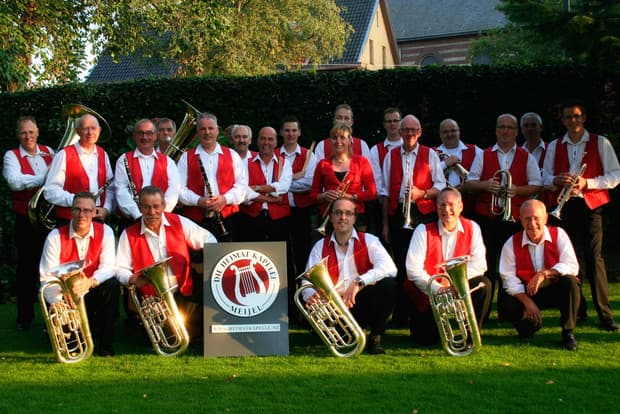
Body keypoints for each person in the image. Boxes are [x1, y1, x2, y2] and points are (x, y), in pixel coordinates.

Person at [542, 101, 620, 331]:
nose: (573, 121)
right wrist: (556, 180)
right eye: (568, 117)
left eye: (576, 116)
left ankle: (605, 315)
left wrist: (588, 183)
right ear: (563, 120)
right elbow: (544, 176)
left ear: (583, 117)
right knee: (570, 261)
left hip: (591, 206)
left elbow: (615, 176)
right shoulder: (555, 146)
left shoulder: (600, 142)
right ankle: (578, 310)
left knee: (594, 260)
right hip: (564, 207)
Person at [465, 114, 542, 319]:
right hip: (487, 218)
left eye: (510, 127)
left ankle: (509, 310)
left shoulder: (527, 157)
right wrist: (485, 185)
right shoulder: (483, 154)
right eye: (502, 127)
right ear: (496, 130)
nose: (505, 131)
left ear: (516, 131)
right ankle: (483, 310)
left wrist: (517, 189)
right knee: (487, 265)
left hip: (514, 218)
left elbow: (537, 184)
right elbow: (470, 183)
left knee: (512, 267)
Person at [116, 186, 217, 342]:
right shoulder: (128, 233)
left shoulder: (179, 222)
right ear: (140, 207)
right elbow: (120, 268)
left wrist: (201, 261)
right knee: (168, 338)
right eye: (147, 207)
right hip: (152, 296)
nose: (152, 212)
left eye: (156, 206)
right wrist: (133, 279)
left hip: (183, 289)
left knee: (192, 330)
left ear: (163, 206)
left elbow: (209, 239)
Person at [303, 197, 397, 354]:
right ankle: (353, 330)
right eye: (338, 213)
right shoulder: (320, 246)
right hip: (335, 306)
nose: (343, 217)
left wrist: (359, 282)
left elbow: (390, 268)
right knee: (344, 340)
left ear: (354, 217)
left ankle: (375, 337)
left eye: (348, 213)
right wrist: (311, 295)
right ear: (331, 217)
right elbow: (307, 283)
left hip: (363, 300)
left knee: (388, 285)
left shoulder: (370, 240)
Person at [381, 114, 446, 326]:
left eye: (413, 130)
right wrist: (385, 225)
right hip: (399, 214)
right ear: (399, 133)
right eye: (405, 130)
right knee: (400, 263)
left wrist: (423, 194)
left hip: (424, 213)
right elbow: (385, 191)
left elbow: (441, 186)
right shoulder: (390, 156)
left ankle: (422, 308)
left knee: (421, 264)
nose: (409, 133)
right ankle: (400, 315)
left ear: (420, 132)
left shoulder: (431, 155)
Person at [405, 187, 491, 345]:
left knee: (483, 284)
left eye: (451, 204)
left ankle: (472, 334)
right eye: (441, 205)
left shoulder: (473, 228)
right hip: (431, 291)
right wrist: (438, 287)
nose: (446, 209)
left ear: (460, 207)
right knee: (425, 340)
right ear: (436, 207)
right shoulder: (422, 231)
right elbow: (413, 269)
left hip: (459, 286)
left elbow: (479, 264)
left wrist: (453, 282)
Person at [39, 192, 119, 356]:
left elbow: (109, 267)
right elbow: (47, 277)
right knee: (72, 345)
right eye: (77, 210)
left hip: (92, 290)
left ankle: (106, 346)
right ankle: (72, 329)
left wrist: (91, 281)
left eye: (87, 210)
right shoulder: (55, 237)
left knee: (112, 285)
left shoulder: (106, 232)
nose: (82, 215)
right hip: (66, 297)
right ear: (71, 211)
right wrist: (57, 303)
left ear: (94, 212)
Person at [499, 200, 580, 350]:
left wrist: (544, 273)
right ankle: (527, 324)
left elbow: (572, 265)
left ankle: (568, 332)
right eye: (527, 219)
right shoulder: (511, 243)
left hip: (553, 289)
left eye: (537, 218)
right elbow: (508, 278)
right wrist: (527, 302)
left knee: (570, 282)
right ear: (520, 220)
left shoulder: (559, 234)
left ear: (545, 219)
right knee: (506, 301)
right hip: (528, 292)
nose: (532, 223)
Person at [2, 116, 54, 330]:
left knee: (52, 268)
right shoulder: (11, 156)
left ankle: (53, 317)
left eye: (31, 132)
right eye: (23, 132)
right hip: (26, 220)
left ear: (38, 132)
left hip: (49, 218)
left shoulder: (50, 151)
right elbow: (15, 182)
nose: (28, 136)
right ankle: (25, 318)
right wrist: (44, 178)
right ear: (18, 135)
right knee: (27, 269)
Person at [178, 112, 247, 241]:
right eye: (202, 129)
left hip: (227, 218)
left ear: (217, 131)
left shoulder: (232, 155)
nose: (207, 132)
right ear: (197, 132)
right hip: (196, 220)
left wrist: (225, 199)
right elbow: (179, 189)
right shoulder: (186, 157)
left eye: (211, 128)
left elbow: (242, 187)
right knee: (199, 259)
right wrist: (198, 200)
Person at [43, 114, 114, 225]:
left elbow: (110, 188)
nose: (90, 133)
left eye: (93, 128)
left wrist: (106, 209)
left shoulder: (103, 154)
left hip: (96, 220)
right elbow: (50, 191)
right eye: (85, 128)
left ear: (99, 130)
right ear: (77, 131)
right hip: (69, 221)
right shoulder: (63, 155)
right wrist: (79, 203)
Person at [310, 122, 376, 232]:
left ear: (350, 140)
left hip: (356, 216)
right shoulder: (322, 164)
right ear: (330, 140)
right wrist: (324, 196)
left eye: (342, 137)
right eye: (334, 138)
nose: (338, 141)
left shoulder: (361, 162)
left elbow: (372, 193)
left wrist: (351, 197)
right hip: (330, 217)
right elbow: (312, 196)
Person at [114, 119, 180, 223]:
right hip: (132, 220)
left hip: (161, 219)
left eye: (149, 133)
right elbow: (121, 190)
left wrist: (159, 214)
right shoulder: (123, 160)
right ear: (134, 136)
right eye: (140, 133)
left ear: (155, 136)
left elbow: (173, 190)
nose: (145, 137)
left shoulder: (168, 162)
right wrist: (137, 215)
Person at [276, 116, 317, 278]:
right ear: (281, 132)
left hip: (301, 211)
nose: (290, 134)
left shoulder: (309, 155)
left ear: (299, 132)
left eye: (294, 130)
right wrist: (294, 177)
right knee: (282, 252)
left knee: (303, 251)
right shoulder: (274, 154)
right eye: (287, 130)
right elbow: (269, 182)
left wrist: (283, 182)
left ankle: (304, 289)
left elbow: (309, 184)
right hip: (279, 210)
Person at [237, 126, 292, 242]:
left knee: (280, 256)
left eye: (270, 139)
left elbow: (283, 187)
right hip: (251, 218)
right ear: (257, 141)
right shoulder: (245, 163)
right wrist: (272, 199)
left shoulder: (285, 163)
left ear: (276, 142)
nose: (266, 142)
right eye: (263, 139)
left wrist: (257, 188)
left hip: (279, 219)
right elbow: (245, 193)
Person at [434, 118, 481, 216]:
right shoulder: (432, 153)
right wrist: (445, 163)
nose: (449, 134)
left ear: (459, 131)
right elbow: (426, 173)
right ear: (440, 134)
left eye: (453, 131)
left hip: (469, 205)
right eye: (445, 132)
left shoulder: (475, 150)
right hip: (441, 207)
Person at [367, 107, 402, 236]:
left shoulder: (412, 147)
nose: (392, 124)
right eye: (388, 121)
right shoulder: (375, 150)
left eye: (395, 120)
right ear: (384, 125)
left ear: (401, 123)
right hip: (383, 204)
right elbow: (377, 180)